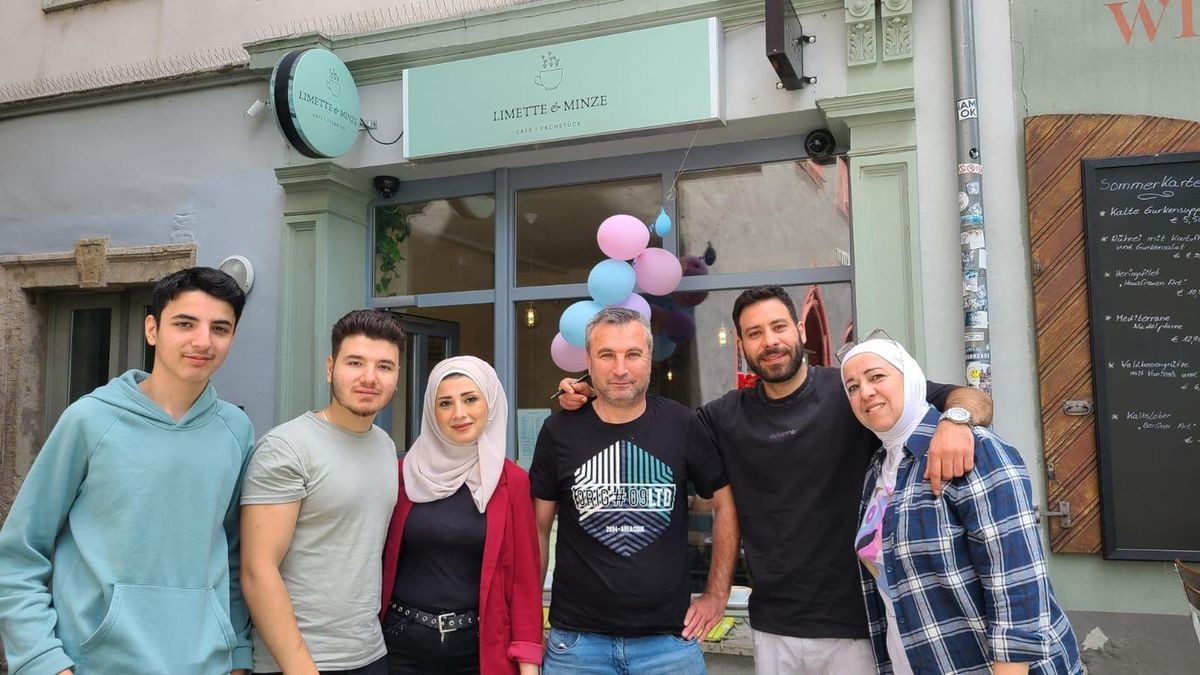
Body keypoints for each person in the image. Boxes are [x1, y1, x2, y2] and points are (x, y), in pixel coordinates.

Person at [557, 285, 992, 674]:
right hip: (772, 626)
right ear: (742, 345)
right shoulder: (723, 416)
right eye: (754, 333)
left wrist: (956, 420)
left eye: (778, 327)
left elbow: (970, 397)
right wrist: (591, 391)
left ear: (799, 330)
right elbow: (653, 423)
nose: (770, 341)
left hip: (857, 623)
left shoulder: (851, 392)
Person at [0, 267, 254, 675]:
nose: (203, 341)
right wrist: (41, 660)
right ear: (152, 329)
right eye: (185, 324)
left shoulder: (236, 430)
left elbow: (234, 551)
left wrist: (238, 651)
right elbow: (19, 553)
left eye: (219, 329)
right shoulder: (89, 420)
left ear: (232, 338)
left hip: (208, 664)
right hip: (96, 664)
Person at [841, 334, 1081, 674]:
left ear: (912, 379)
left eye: (877, 376)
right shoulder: (878, 469)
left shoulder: (974, 447)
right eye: (852, 387)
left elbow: (1016, 580)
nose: (865, 392)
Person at [533, 307, 738, 675]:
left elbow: (725, 505)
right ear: (588, 362)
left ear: (650, 358)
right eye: (606, 355)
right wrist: (528, 617)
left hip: (669, 645)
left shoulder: (682, 424)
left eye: (632, 354)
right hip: (577, 647)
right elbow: (538, 530)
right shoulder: (558, 432)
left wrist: (717, 595)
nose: (620, 369)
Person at [240, 309, 404, 675]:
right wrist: (300, 667)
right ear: (330, 368)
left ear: (396, 378)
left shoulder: (383, 445)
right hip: (298, 661)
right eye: (355, 362)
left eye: (384, 367)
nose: (369, 377)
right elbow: (257, 570)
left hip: (369, 653)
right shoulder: (287, 447)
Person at [379, 356, 543, 675]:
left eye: (470, 399)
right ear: (431, 411)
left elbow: (524, 581)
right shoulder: (401, 475)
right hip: (401, 644)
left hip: (479, 649)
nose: (459, 413)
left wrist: (528, 664)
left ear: (490, 404)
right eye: (445, 403)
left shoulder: (512, 482)